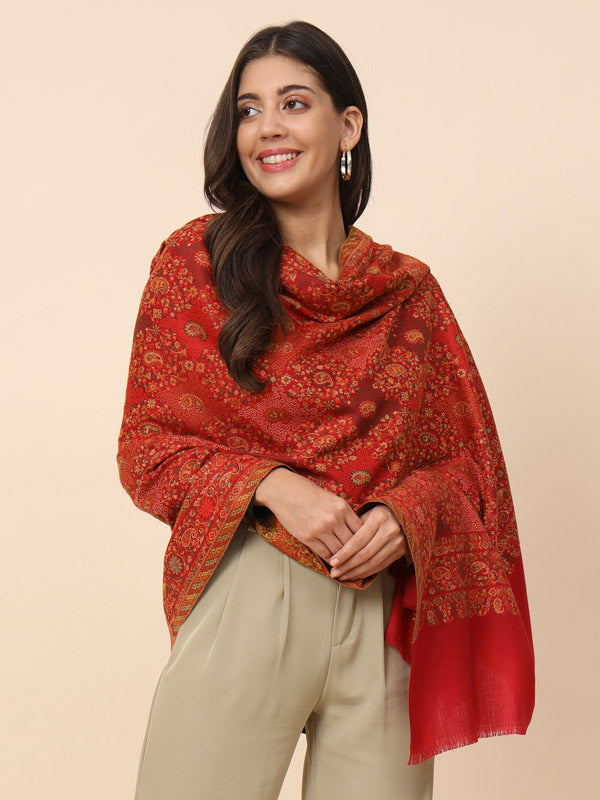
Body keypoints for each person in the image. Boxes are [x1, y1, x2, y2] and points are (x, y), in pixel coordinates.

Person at [117, 20, 535, 800]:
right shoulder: (196, 266)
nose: (267, 128)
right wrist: (275, 486)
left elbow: (468, 469)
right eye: (248, 110)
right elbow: (148, 448)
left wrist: (407, 513)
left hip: (381, 622)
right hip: (252, 592)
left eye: (293, 103)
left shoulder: (407, 294)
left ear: (348, 126)